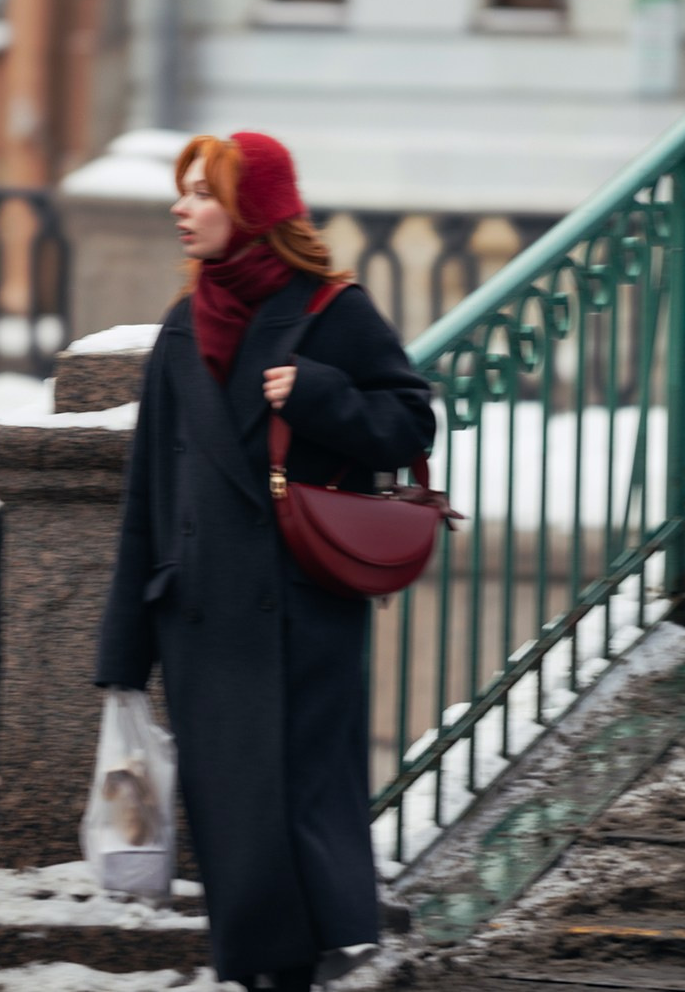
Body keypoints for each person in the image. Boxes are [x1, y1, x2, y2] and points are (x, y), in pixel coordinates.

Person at [93, 131, 436, 991]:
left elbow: (409, 423)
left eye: (204, 192)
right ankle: (271, 971)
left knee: (296, 811)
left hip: (300, 612)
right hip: (202, 619)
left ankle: (298, 966)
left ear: (254, 209)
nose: (182, 207)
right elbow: (148, 495)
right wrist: (123, 648)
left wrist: (321, 394)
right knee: (237, 828)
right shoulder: (184, 326)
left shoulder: (331, 310)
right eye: (185, 190)